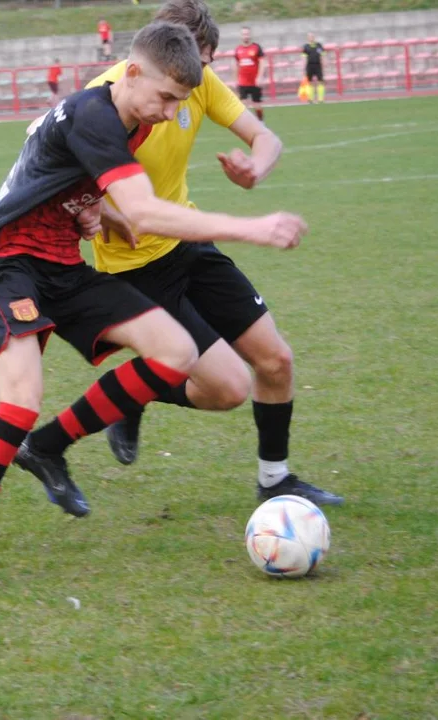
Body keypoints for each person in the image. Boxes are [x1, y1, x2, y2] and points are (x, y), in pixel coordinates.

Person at [0, 21, 310, 596]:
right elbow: (146, 210)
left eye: (181, 101)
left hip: (62, 264)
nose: (170, 111)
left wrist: (106, 217)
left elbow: (62, 183)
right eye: (166, 98)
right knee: (20, 402)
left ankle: (49, 450)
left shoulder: (127, 119)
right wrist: (250, 227)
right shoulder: (95, 113)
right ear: (130, 74)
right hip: (10, 265)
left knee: (175, 350)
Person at [81, 0, 343, 511]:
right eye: (203, 61)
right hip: (136, 268)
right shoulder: (104, 98)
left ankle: (276, 479)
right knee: (227, 389)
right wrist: (108, 216)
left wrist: (255, 170)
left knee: (277, 359)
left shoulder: (199, 82)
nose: (204, 75)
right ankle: (132, 393)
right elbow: (71, 184)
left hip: (190, 242)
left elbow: (266, 136)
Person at [233, 26, 267, 121]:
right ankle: (249, 125)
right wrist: (235, 80)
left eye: (247, 34)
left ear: (250, 35)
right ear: (241, 36)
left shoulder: (256, 47)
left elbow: (262, 62)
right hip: (243, 82)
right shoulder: (238, 49)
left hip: (254, 82)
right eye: (244, 34)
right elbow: (236, 65)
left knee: (257, 106)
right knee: (243, 106)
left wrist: (260, 77)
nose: (246, 36)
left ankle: (261, 121)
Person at [301, 33, 325, 104]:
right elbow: (304, 58)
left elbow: (322, 55)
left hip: (318, 65)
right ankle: (310, 99)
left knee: (320, 82)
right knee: (310, 83)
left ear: (314, 37)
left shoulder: (318, 46)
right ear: (307, 38)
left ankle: (320, 99)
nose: (311, 38)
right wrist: (303, 67)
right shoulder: (306, 47)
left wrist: (323, 64)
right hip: (309, 66)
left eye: (312, 36)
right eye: (309, 37)